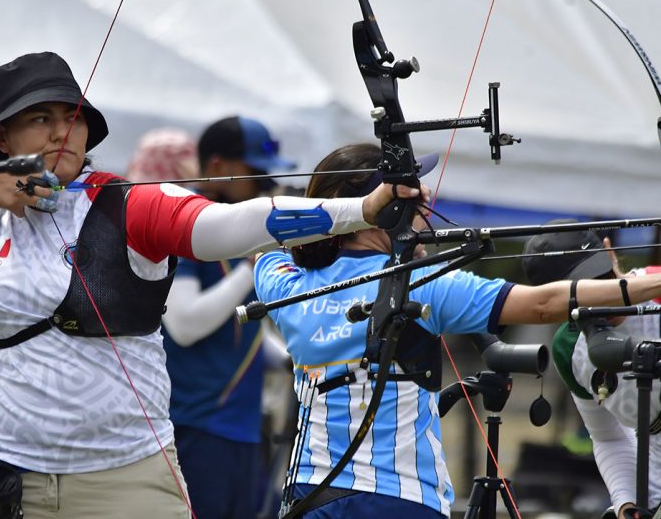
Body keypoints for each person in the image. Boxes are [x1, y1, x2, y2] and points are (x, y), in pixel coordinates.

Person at [0, 51, 424, 518]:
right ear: (4, 140)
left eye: (72, 117)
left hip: (123, 477)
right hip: (4, 475)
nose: (62, 130)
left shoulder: (131, 205)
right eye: (40, 118)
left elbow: (228, 226)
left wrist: (363, 210)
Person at [252, 143, 661, 519]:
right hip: (398, 501)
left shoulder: (282, 281)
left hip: (310, 495)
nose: (425, 206)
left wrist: (378, 231)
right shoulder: (423, 284)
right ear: (384, 213)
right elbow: (541, 303)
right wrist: (647, 285)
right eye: (409, 198)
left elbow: (267, 239)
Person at [161, 116, 295, 519]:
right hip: (197, 427)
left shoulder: (237, 236)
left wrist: (295, 358)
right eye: (255, 174)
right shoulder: (178, 221)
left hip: (239, 427)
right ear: (218, 168)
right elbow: (182, 326)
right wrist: (252, 267)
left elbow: (243, 329)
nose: (264, 186)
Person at [522, 224, 661, 519]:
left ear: (610, 251)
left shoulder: (656, 288)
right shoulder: (569, 348)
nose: (601, 295)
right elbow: (608, 437)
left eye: (603, 276)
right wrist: (626, 502)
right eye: (582, 290)